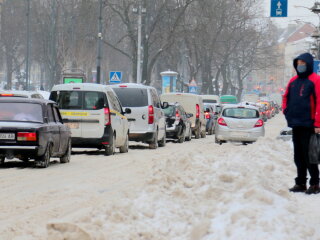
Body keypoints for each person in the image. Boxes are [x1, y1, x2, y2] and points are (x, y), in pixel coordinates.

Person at [282, 52, 320, 194]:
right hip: (296, 123)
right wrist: (287, 112)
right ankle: (301, 183)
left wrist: (317, 123)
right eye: (298, 64)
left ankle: (315, 184)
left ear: (308, 64)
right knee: (298, 156)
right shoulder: (293, 81)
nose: (300, 66)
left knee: (310, 155)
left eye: (303, 64)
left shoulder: (316, 80)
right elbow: (285, 97)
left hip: (309, 124)